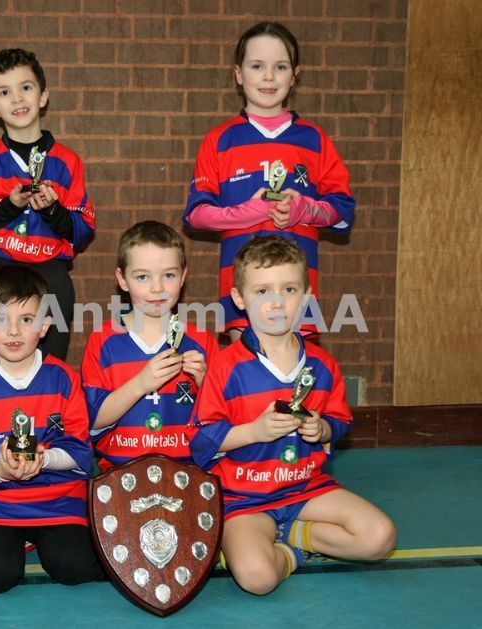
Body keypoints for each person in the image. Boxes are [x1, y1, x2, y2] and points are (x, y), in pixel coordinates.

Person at [186, 235, 396, 595]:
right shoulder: (224, 367)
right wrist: (254, 431)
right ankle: (290, 552)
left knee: (380, 538)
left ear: (307, 295)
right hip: (244, 498)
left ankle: (298, 534)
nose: (277, 302)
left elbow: (339, 421)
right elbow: (200, 440)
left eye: (289, 289)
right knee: (258, 579)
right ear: (239, 298)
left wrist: (322, 428)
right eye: (262, 291)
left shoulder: (322, 365)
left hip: (305, 489)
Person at [183, 21, 355, 342]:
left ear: (295, 75)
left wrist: (303, 210)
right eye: (257, 66)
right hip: (240, 298)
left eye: (280, 67)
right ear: (238, 74)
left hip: (297, 296)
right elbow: (196, 216)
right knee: (247, 370)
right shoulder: (219, 140)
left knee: (295, 370)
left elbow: (343, 211)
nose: (269, 77)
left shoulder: (315, 140)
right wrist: (248, 212)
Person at [0, 265, 103, 594]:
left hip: (58, 499)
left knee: (77, 567)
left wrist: (44, 460)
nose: (13, 331)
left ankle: (36, 536)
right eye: (0, 319)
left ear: (44, 325)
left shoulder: (64, 380)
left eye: (26, 319)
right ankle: (8, 537)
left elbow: (79, 449)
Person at [0, 47, 95, 365]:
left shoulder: (68, 161)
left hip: (50, 277)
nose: (17, 98)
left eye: (26, 87)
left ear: (43, 96)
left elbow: (82, 231)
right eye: (4, 92)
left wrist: (51, 211)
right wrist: (10, 206)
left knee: (50, 372)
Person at [81, 221, 219, 471]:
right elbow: (92, 421)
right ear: (123, 280)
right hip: (119, 471)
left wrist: (205, 383)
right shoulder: (103, 340)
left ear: (183, 276)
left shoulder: (201, 341)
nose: (158, 288)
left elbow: (222, 420)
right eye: (143, 277)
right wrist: (141, 383)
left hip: (187, 471)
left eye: (169, 275)